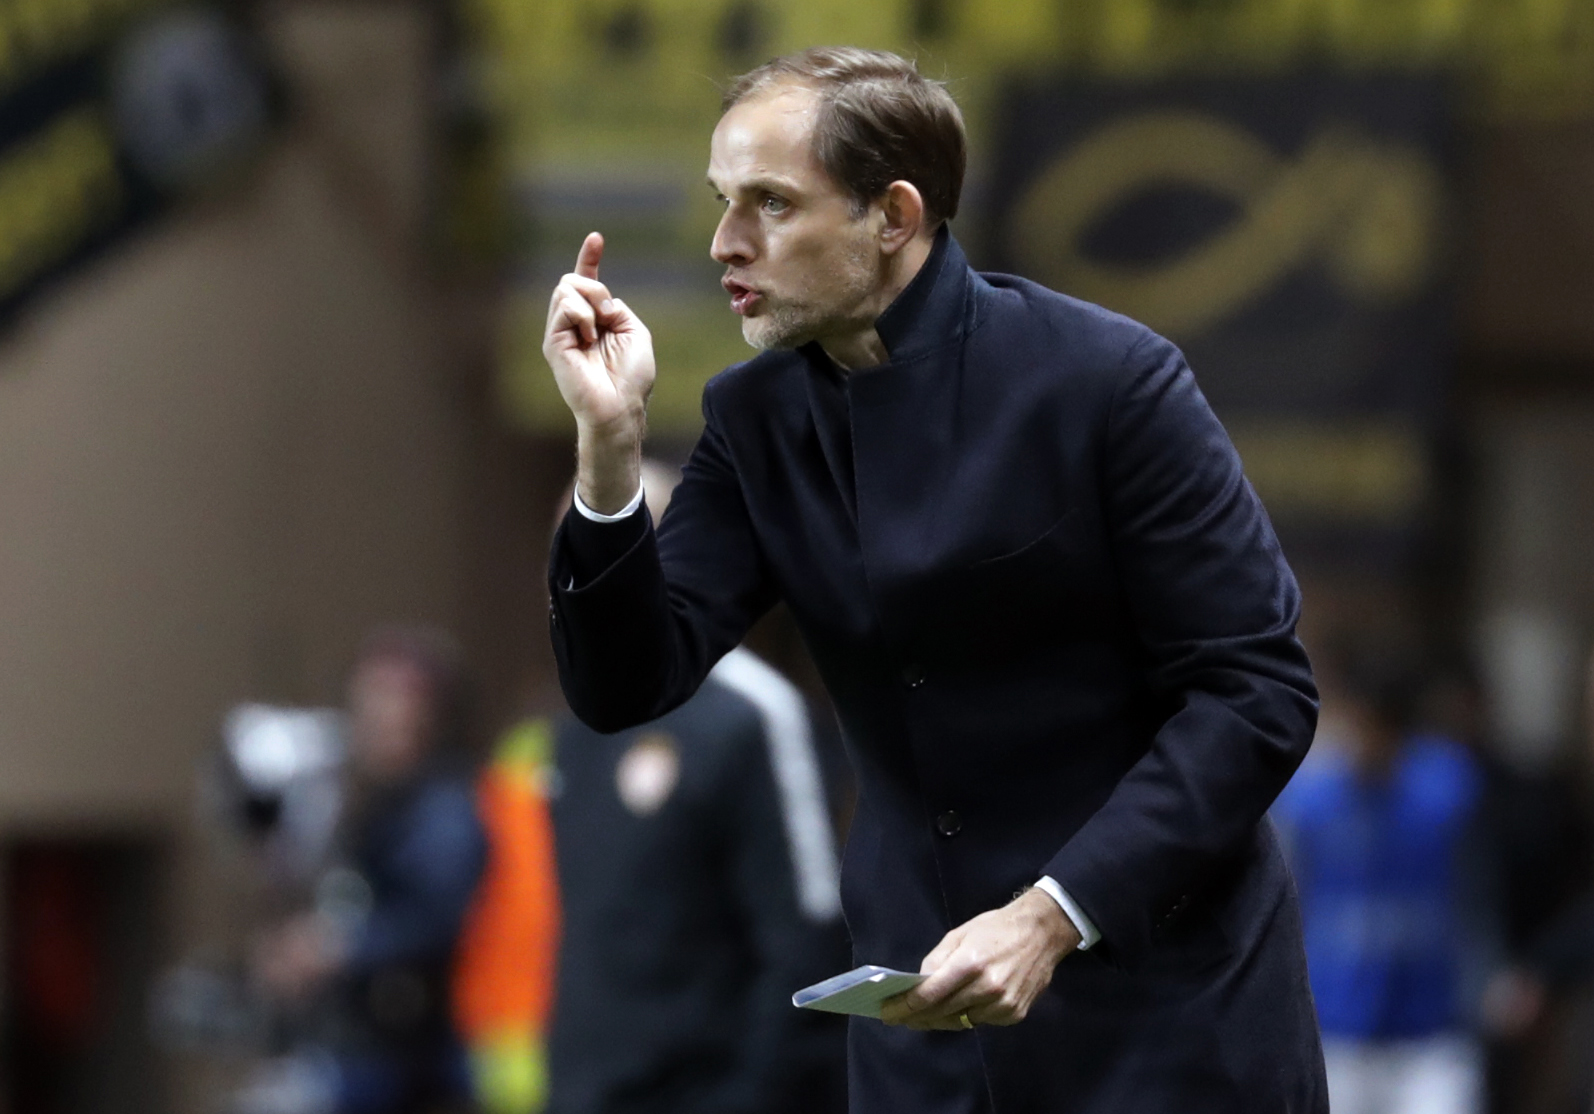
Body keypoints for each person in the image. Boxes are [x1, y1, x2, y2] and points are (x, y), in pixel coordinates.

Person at [541, 47, 1323, 1113]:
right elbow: (621, 685)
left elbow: (1256, 692)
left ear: (893, 216)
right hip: (924, 1036)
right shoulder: (752, 417)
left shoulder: (1109, 380)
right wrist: (608, 450)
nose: (726, 243)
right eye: (726, 203)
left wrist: (1053, 910)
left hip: (1165, 1020)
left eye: (770, 204)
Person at [543, 461, 852, 1114]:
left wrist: (751, 1096)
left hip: (703, 1093)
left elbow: (807, 935)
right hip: (584, 1090)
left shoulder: (750, 715)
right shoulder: (575, 731)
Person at [251, 627, 488, 1114]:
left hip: (428, 1059)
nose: (376, 719)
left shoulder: (447, 810)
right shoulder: (376, 804)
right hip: (371, 1050)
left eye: (395, 702)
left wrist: (335, 948)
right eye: (368, 703)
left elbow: (439, 917)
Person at [1273, 647, 1493, 1114]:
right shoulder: (1308, 801)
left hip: (1430, 1035)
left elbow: (1477, 896)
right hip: (1336, 1031)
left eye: (1379, 728)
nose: (1366, 741)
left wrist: (1485, 980)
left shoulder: (1448, 788)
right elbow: (1290, 902)